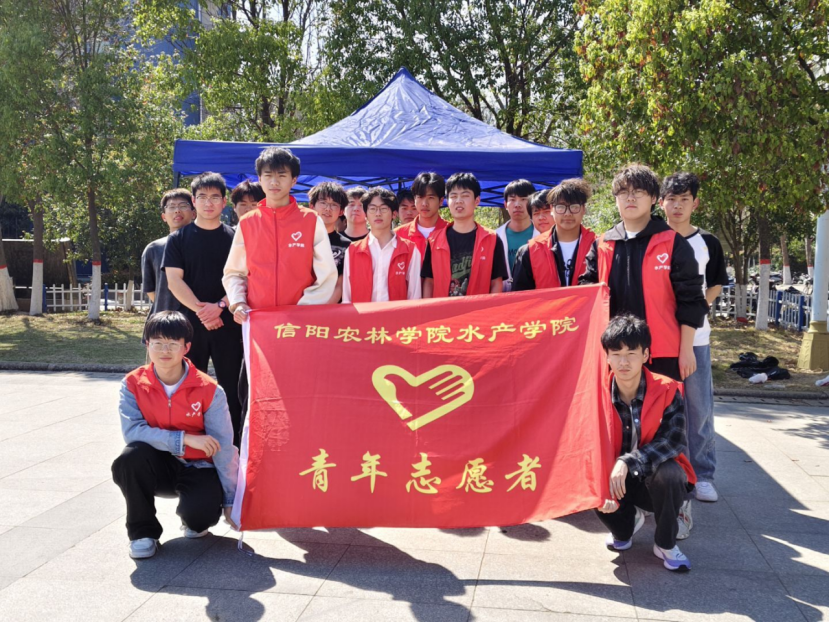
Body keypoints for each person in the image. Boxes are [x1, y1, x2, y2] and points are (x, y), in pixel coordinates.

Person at [111, 311, 239, 560]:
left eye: (172, 343)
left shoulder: (209, 390)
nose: (164, 350)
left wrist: (230, 500)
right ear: (147, 345)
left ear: (186, 347)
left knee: (200, 519)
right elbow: (132, 431)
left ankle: (193, 517)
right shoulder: (132, 384)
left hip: (199, 466)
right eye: (157, 343)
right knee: (130, 458)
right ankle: (142, 533)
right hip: (157, 466)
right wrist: (185, 438)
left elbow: (223, 445)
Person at [580, 163, 708, 383]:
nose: (630, 198)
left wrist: (686, 350)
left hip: (662, 352)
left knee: (662, 405)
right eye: (623, 192)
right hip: (613, 354)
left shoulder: (673, 243)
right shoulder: (602, 245)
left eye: (638, 192)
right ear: (615, 199)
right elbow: (587, 295)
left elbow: (692, 300)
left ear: (653, 199)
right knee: (613, 406)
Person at [596, 314, 695, 572]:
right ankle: (626, 523)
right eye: (616, 354)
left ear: (646, 354)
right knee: (620, 535)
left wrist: (628, 461)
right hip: (614, 479)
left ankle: (665, 544)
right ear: (606, 357)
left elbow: (673, 441)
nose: (624, 362)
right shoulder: (594, 393)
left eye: (631, 353)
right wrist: (597, 488)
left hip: (652, 478)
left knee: (671, 474)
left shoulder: (668, 389)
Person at [660, 172, 729, 504]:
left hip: (697, 338)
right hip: (659, 337)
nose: (677, 206)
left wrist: (698, 308)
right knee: (660, 409)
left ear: (695, 203)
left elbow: (716, 282)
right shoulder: (653, 238)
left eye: (684, 200)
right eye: (671, 199)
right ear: (661, 202)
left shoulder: (708, 242)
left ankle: (703, 475)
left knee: (699, 409)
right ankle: (667, 470)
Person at [163, 173, 244, 447]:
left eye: (215, 197)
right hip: (190, 326)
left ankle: (233, 447)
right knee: (188, 386)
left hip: (229, 323)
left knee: (232, 388)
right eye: (202, 197)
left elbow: (246, 278)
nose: (208, 203)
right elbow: (174, 281)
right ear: (194, 201)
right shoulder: (178, 239)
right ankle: (190, 444)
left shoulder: (237, 238)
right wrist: (203, 311)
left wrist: (219, 306)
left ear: (224, 202)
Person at [223, 146, 337, 317]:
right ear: (260, 179)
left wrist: (304, 308)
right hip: (257, 318)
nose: (274, 182)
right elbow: (234, 272)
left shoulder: (311, 220)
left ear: (293, 180)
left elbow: (326, 275)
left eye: (282, 175)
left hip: (299, 318)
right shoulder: (247, 222)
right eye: (268, 175)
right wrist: (238, 302)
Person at [421, 173, 508, 297]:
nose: (458, 201)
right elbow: (429, 281)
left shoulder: (492, 239)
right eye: (453, 196)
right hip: (442, 308)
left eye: (465, 195)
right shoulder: (434, 240)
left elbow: (496, 283)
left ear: (477, 201)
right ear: (447, 201)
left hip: (478, 308)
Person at [512, 179, 597, 291]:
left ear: (583, 209)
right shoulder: (529, 251)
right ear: (552, 209)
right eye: (561, 207)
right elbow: (520, 296)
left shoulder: (599, 247)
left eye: (574, 207)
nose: (568, 213)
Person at [342, 187, 421, 303]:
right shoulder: (352, 250)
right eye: (372, 209)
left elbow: (414, 296)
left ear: (394, 214)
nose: (378, 214)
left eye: (383, 209)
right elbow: (347, 297)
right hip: (362, 314)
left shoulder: (410, 250)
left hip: (397, 314)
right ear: (366, 214)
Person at [141, 189, 194, 322]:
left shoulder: (202, 245)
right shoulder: (153, 249)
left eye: (183, 206)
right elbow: (151, 290)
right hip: (164, 322)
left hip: (199, 319)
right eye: (171, 207)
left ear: (194, 213)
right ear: (164, 216)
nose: (177, 211)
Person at [309, 181, 352, 304]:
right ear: (311, 206)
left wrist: (324, 309)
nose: (328, 208)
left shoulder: (346, 245)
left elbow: (340, 284)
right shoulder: (299, 239)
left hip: (330, 308)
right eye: (323, 203)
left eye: (334, 205)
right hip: (297, 306)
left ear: (341, 211)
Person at [395, 171, 449, 262]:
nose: (424, 204)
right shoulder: (397, 235)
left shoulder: (452, 233)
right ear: (415, 199)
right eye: (420, 197)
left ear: (441, 201)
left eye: (430, 198)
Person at [496, 179, 539, 291]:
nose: (517, 204)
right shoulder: (494, 236)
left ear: (532, 203)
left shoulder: (543, 234)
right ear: (505, 204)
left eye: (523, 199)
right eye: (512, 199)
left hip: (534, 296)